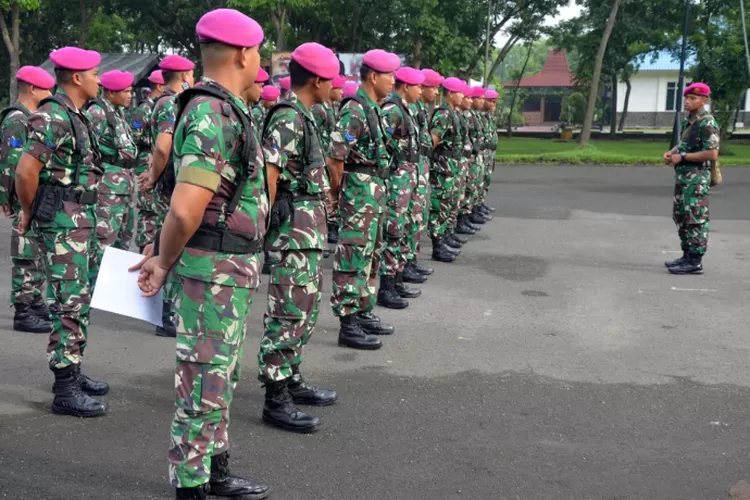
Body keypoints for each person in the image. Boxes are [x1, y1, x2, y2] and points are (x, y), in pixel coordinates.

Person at [130, 8, 271, 500]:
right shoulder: (212, 112)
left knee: (218, 381)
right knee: (202, 388)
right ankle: (191, 488)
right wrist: (163, 260)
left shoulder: (225, 107)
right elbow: (187, 208)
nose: (258, 60)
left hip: (227, 269)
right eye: (256, 51)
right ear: (240, 53)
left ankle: (212, 471)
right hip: (212, 271)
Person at [15, 47, 108, 418]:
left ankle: (74, 368)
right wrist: (29, 212)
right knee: (69, 302)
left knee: (80, 299)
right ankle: (64, 387)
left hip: (78, 220)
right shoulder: (52, 116)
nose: (99, 80)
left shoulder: (74, 115)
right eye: (95, 74)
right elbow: (25, 172)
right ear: (76, 77)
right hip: (62, 225)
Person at [257, 42, 339, 434]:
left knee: (304, 309)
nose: (335, 86)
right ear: (318, 80)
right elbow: (269, 178)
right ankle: (276, 397)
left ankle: (290, 377)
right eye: (332, 79)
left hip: (308, 228)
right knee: (288, 310)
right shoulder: (288, 118)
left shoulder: (305, 115)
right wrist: (265, 230)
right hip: (292, 229)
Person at [328, 49, 400, 350]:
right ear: (373, 76)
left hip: (373, 191)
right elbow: (335, 158)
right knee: (353, 257)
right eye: (390, 75)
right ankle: (348, 323)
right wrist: (337, 195)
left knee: (370, 255)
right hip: (359, 193)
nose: (394, 81)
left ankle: (361, 309)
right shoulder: (355, 110)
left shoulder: (373, 108)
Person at [137, 53, 195, 337]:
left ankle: (165, 311)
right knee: (167, 242)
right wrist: (154, 175)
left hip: (168, 183)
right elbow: (162, 147)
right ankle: (166, 315)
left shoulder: (163, 102)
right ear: (185, 76)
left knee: (163, 240)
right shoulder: (170, 103)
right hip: (167, 185)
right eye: (191, 74)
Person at [0, 67, 55, 334]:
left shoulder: (32, 118)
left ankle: (34, 301)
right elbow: (11, 163)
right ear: (32, 89)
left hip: (35, 194)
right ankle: (23, 311)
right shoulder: (17, 119)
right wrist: (10, 198)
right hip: (25, 196)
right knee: (25, 252)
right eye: (46, 89)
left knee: (35, 251)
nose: (50, 94)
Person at [85, 70, 137, 293]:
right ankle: (91, 287)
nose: (130, 95)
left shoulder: (117, 112)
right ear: (111, 92)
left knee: (123, 237)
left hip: (124, 185)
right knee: (103, 239)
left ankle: (109, 289)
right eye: (125, 91)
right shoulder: (97, 112)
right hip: (108, 186)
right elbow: (88, 150)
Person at [376, 66, 424, 310]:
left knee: (403, 229)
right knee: (393, 231)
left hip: (406, 179)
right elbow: (380, 143)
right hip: (396, 179)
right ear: (406, 86)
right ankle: (386, 286)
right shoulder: (392, 110)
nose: (421, 91)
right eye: (418, 86)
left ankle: (396, 279)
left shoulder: (406, 108)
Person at [662, 82, 719, 275]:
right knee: (681, 215)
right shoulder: (691, 121)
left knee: (696, 217)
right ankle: (686, 255)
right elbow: (683, 144)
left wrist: (683, 157)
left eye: (693, 98)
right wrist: (671, 153)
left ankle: (695, 260)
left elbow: (712, 154)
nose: (687, 101)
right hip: (684, 177)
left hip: (697, 177)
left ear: (704, 100)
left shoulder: (707, 122)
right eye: (686, 98)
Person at [402, 68, 442, 282]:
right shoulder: (399, 109)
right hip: (406, 172)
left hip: (418, 168)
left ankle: (410, 261)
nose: (435, 91)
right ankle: (403, 266)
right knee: (406, 221)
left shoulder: (416, 108)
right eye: (432, 87)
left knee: (417, 218)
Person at [429, 77, 466, 263]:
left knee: (449, 204)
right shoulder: (443, 114)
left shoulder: (451, 112)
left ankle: (444, 238)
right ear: (450, 94)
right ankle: (437, 245)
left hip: (452, 167)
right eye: (459, 92)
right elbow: (432, 141)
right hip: (443, 168)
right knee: (440, 206)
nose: (462, 96)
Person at [131, 70, 164, 253]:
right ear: (159, 86)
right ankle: (144, 246)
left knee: (158, 209)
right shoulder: (144, 110)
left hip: (158, 163)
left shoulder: (163, 106)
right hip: (146, 162)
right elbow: (134, 137)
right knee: (148, 209)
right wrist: (157, 142)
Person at [312, 74, 345, 248]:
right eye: (338, 88)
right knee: (325, 196)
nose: (341, 92)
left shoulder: (330, 107)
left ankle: (329, 228)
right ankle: (326, 229)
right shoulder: (318, 109)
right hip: (323, 156)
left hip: (328, 154)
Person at [479, 89, 498, 215]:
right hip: (482, 153)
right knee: (477, 183)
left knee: (485, 181)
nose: (493, 105)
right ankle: (474, 207)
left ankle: (480, 204)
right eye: (490, 101)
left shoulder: (489, 117)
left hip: (489, 153)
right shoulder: (479, 117)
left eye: (494, 102)